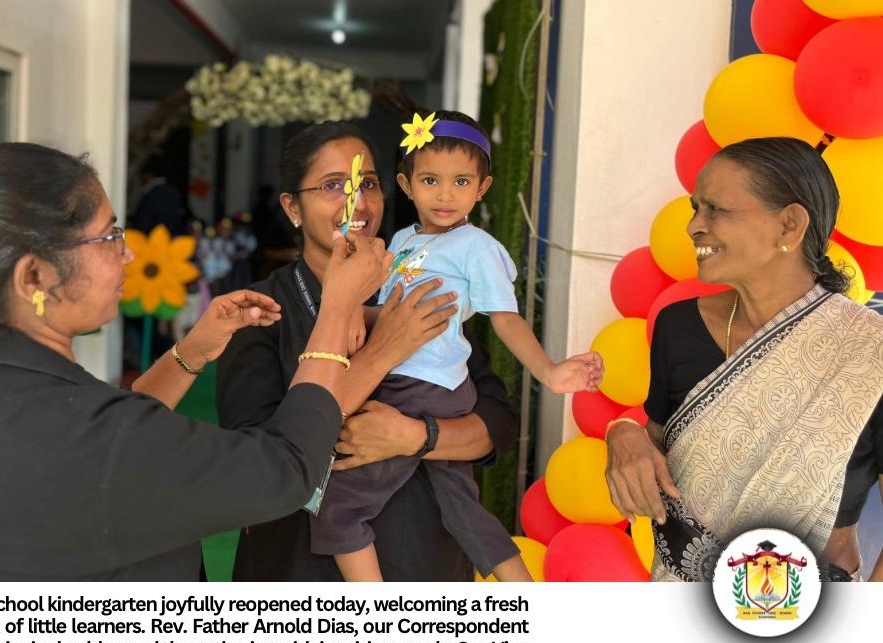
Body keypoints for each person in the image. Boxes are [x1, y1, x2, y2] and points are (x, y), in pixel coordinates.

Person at [0, 142, 390, 581]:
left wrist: (190, 353)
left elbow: (118, 446)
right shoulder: (98, 439)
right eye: (109, 237)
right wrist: (338, 307)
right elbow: (286, 470)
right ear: (34, 276)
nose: (128, 254)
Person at [217, 121, 519, 582]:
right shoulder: (261, 312)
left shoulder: (414, 285)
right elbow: (263, 466)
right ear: (292, 207)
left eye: (368, 184)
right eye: (332, 185)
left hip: (428, 568)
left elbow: (496, 422)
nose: (356, 202)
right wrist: (381, 352)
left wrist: (417, 437)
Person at [311, 110, 604, 582]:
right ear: (407, 185)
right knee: (462, 509)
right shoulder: (402, 240)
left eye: (461, 181)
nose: (445, 195)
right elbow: (388, 311)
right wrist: (347, 313)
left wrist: (549, 372)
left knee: (339, 508)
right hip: (417, 380)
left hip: (421, 386)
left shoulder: (477, 248)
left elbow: (505, 318)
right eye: (430, 180)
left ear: (482, 188)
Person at [604, 136, 883, 582]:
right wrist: (621, 434)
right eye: (696, 209)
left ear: (789, 225)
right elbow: (661, 449)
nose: (693, 226)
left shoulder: (868, 351)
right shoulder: (679, 327)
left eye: (715, 209)